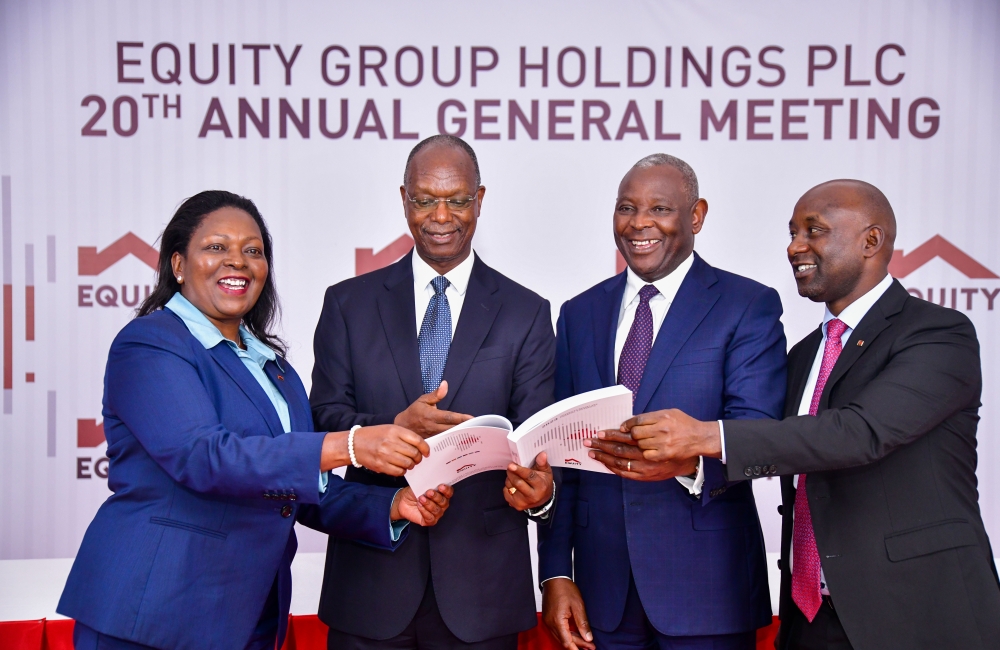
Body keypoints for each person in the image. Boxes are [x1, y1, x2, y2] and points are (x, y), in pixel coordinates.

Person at [57, 191, 454, 650]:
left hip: (249, 614)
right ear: (179, 265)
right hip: (155, 614)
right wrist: (350, 445)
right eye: (216, 247)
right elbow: (203, 455)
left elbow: (299, 488)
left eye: (253, 251)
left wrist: (393, 506)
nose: (238, 262)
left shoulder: (275, 368)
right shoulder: (150, 344)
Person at [614, 179, 1000, 649]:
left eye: (813, 231)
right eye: (792, 232)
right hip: (810, 619)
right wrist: (689, 465)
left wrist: (705, 437)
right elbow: (780, 449)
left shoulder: (938, 333)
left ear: (871, 241)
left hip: (918, 613)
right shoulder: (803, 355)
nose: (795, 247)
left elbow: (860, 433)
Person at [309, 135, 557, 649]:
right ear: (404, 200)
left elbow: (536, 443)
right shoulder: (347, 305)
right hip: (370, 581)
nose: (441, 215)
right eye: (424, 199)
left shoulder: (526, 312)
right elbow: (323, 421)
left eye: (457, 200)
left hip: (481, 594)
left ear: (480, 200)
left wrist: (540, 494)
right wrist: (393, 428)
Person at [538, 154, 787, 650]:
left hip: (707, 589)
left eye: (659, 208)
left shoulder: (747, 306)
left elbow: (758, 436)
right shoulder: (579, 313)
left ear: (695, 216)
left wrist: (687, 463)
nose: (639, 223)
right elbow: (557, 454)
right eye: (626, 208)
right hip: (602, 592)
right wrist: (554, 575)